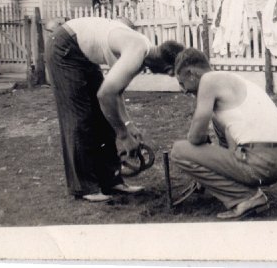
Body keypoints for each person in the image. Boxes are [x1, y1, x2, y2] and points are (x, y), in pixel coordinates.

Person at [47, 16, 184, 202]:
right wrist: (124, 135)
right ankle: (85, 187)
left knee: (104, 118)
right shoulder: (137, 51)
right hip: (65, 46)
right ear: (166, 65)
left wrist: (128, 124)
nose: (168, 75)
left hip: (81, 51)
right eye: (170, 72)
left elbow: (115, 92)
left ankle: (111, 181)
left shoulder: (143, 52)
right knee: (80, 117)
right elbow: (105, 95)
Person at [170, 48, 277, 219]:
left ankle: (246, 198)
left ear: (191, 73)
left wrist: (203, 163)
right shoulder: (230, 79)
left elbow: (195, 138)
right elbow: (228, 132)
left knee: (179, 151)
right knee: (219, 123)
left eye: (182, 82)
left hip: (263, 165)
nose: (183, 90)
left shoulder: (207, 80)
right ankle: (242, 188)